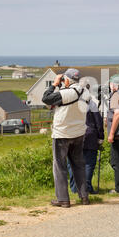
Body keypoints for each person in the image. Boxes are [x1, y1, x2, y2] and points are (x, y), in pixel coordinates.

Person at [42, 68, 92, 208]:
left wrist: (54, 84)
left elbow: (46, 98)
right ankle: (84, 196)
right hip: (79, 133)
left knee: (59, 166)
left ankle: (63, 199)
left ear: (68, 80)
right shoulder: (86, 92)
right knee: (78, 165)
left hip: (62, 134)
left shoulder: (66, 93)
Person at [68, 86, 104, 194]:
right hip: (90, 136)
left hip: (74, 135)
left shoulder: (70, 103)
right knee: (89, 163)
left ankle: (75, 189)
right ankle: (86, 187)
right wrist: (101, 137)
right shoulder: (91, 103)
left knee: (72, 163)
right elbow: (98, 121)